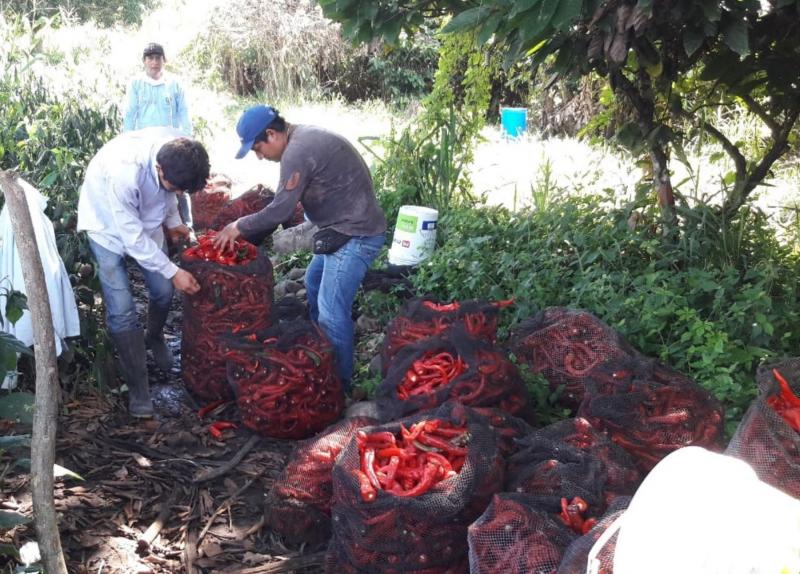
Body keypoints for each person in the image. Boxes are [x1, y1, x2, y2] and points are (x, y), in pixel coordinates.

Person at [213, 105, 386, 391]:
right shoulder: (302, 137)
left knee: (331, 311)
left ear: (271, 134)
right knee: (313, 280)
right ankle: (325, 351)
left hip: (356, 234)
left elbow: (280, 210)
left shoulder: (297, 150)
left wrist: (238, 226)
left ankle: (338, 384)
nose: (259, 156)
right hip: (340, 227)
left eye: (258, 148)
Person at [77, 127, 209, 417]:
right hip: (107, 229)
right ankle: (139, 389)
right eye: (173, 185)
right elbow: (131, 237)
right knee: (122, 308)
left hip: (146, 227)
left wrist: (174, 221)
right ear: (158, 168)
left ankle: (154, 335)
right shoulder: (125, 174)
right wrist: (173, 270)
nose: (176, 191)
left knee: (162, 292)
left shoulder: (177, 150)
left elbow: (171, 195)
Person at [123, 42, 194, 227]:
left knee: (180, 181)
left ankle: (187, 225)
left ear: (164, 60)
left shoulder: (174, 84)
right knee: (149, 183)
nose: (154, 62)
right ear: (144, 61)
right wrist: (127, 141)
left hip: (171, 143)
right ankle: (153, 226)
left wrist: (187, 139)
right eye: (150, 58)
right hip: (144, 143)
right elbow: (130, 113)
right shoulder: (136, 84)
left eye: (158, 58)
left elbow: (183, 112)